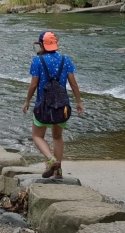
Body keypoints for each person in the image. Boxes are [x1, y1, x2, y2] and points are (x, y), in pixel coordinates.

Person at [22, 31, 84, 179]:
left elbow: (33, 85)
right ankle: (58, 171)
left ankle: (51, 159)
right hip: (62, 106)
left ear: (41, 45)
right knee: (57, 137)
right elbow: (73, 84)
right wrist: (79, 102)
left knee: (37, 136)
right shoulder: (65, 59)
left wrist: (27, 101)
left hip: (43, 106)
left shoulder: (37, 61)